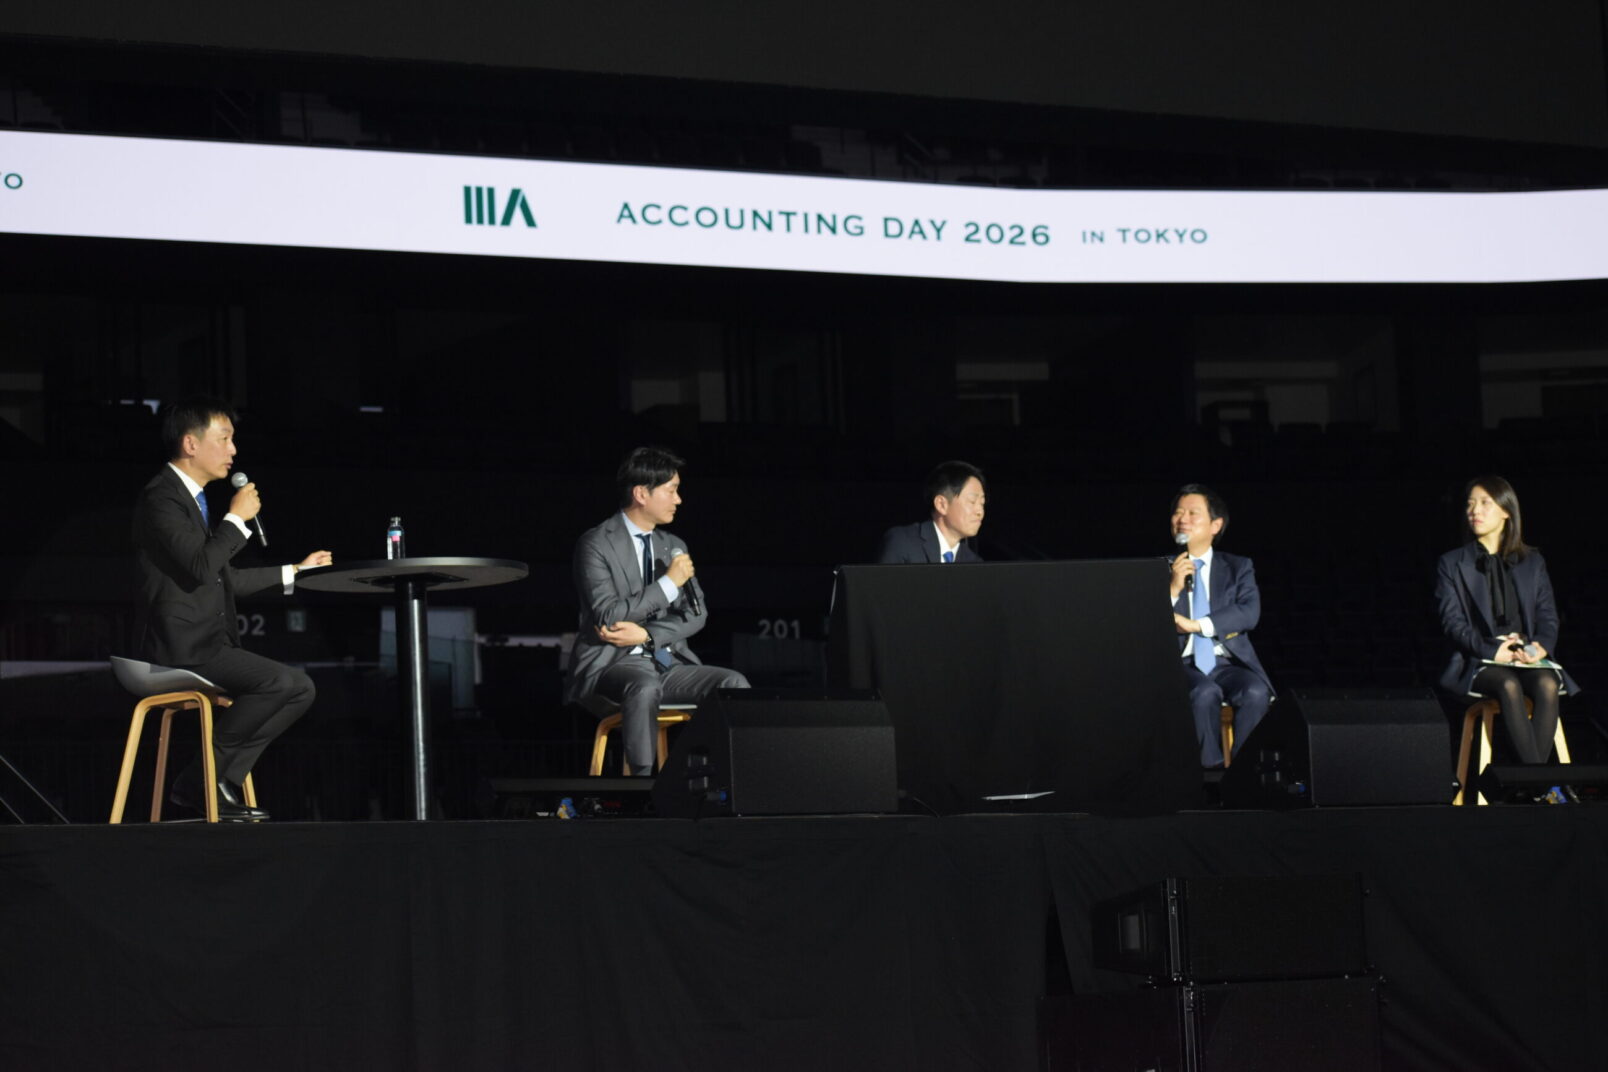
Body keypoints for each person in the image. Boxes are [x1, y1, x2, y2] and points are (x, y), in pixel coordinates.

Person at [133, 398, 333, 821]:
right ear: (191, 444)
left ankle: (215, 781)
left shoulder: (195, 501)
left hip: (209, 644)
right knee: (281, 682)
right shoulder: (162, 498)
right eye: (224, 439)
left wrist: (295, 571)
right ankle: (203, 779)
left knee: (299, 688)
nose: (233, 450)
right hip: (179, 646)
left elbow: (228, 579)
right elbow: (202, 566)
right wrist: (237, 519)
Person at [565, 447, 749, 775]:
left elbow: (696, 613)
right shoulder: (595, 544)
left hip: (665, 661)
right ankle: (642, 787)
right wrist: (668, 584)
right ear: (641, 494)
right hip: (611, 664)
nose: (678, 499)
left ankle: (730, 779)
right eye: (671, 490)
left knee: (733, 683)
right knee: (644, 685)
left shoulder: (673, 545)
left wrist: (648, 636)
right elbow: (607, 616)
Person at [1435, 475, 1579, 766]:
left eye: (1485, 503)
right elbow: (1453, 624)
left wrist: (1537, 648)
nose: (1474, 511)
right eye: (1470, 504)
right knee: (1509, 685)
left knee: (1548, 683)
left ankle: (1530, 782)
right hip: (1478, 660)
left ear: (1506, 511)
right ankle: (1539, 783)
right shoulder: (1451, 563)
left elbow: (1548, 618)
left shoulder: (1533, 562)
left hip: (1524, 655)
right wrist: (1492, 649)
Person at [1168, 483, 1274, 767]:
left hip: (1225, 663)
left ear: (1216, 525)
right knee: (1204, 693)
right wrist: (1173, 589)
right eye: (1178, 513)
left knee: (1255, 691)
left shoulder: (1238, 567)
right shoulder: (1160, 568)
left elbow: (1248, 613)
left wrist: (1197, 625)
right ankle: (1209, 774)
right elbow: (1144, 622)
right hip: (1179, 664)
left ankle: (1244, 772)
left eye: (1193, 513)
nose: (1183, 519)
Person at [876, 460, 986, 563]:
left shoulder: (974, 562)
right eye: (972, 501)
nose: (980, 511)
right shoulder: (902, 542)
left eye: (982, 503)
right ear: (941, 505)